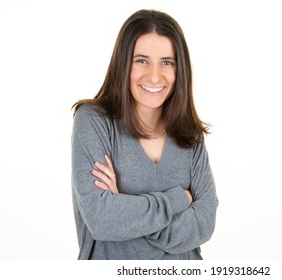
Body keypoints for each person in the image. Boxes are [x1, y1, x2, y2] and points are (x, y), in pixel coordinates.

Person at [71, 9, 218, 260]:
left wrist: (126, 209)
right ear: (123, 63)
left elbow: (203, 224)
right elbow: (102, 220)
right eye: (141, 60)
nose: (154, 75)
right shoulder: (94, 121)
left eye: (166, 62)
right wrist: (177, 200)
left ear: (179, 69)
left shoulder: (190, 135)